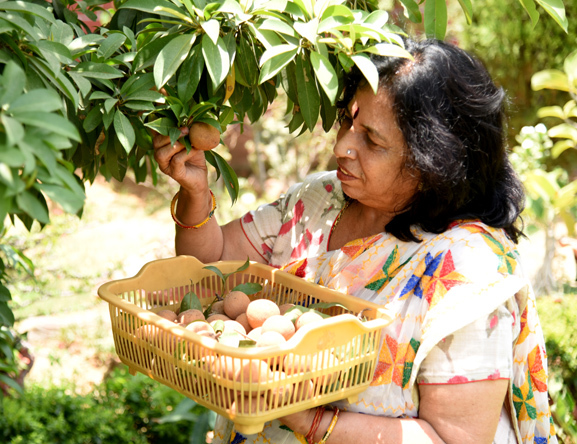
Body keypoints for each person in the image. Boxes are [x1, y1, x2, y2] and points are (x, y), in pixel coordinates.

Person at [153, 38, 556, 444]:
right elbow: (214, 263)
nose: (340, 146)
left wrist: (307, 420)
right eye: (347, 121)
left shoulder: (468, 270)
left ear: (431, 161)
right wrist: (196, 194)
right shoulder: (319, 200)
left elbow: (456, 439)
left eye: (372, 140)